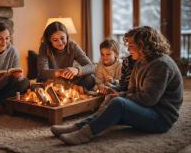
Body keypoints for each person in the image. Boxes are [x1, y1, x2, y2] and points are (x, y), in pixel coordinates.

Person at [50, 26, 183, 145]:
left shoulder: (161, 65)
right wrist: (115, 93)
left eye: (131, 45)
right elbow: (132, 90)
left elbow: (148, 99)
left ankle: (83, 135)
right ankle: (77, 126)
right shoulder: (140, 62)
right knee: (112, 101)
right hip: (147, 109)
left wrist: (120, 96)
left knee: (119, 103)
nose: (128, 49)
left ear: (143, 45)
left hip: (160, 118)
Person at [37, 21, 95, 90]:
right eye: (55, 40)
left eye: (62, 38)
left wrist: (77, 70)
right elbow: (42, 72)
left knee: (90, 79)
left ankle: (71, 89)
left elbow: (91, 67)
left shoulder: (72, 45)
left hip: (68, 81)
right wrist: (59, 72)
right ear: (49, 40)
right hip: (51, 81)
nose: (60, 43)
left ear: (67, 36)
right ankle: (71, 88)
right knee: (36, 88)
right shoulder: (44, 47)